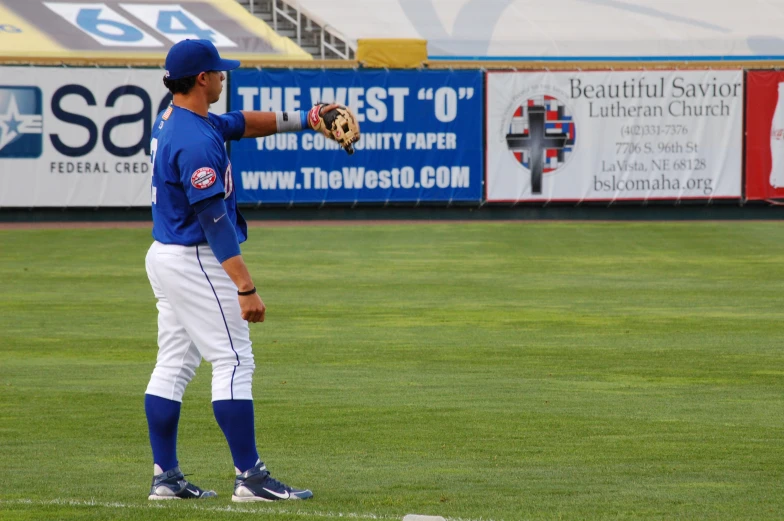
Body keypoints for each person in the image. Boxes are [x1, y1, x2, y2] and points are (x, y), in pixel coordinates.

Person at [144, 39, 350, 502]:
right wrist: (245, 286)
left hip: (166, 253)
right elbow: (213, 220)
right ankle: (250, 478)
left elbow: (238, 123)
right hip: (196, 256)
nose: (223, 77)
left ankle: (166, 477)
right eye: (218, 72)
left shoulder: (178, 119)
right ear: (201, 79)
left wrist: (308, 118)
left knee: (173, 363)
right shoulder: (195, 140)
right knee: (235, 360)